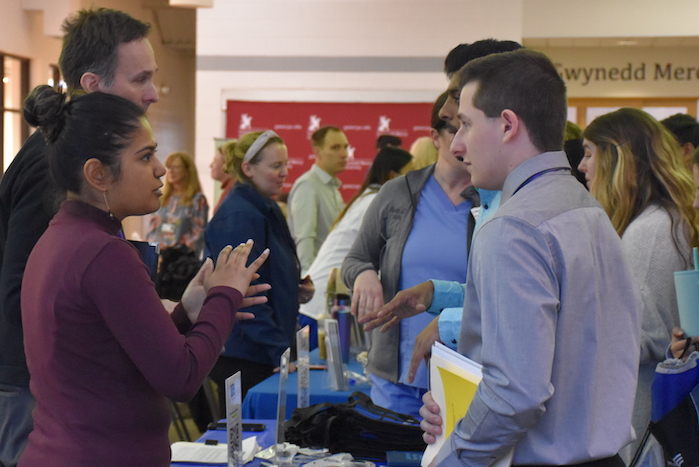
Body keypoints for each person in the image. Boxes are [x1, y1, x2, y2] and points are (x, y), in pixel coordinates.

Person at [19, 86, 269, 467]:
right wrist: (223, 297)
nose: (161, 168)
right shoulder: (104, 253)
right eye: (145, 156)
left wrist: (188, 312)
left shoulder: (61, 236)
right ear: (98, 173)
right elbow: (181, 377)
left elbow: (111, 349)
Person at [420, 49, 642, 466]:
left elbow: (515, 394)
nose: (458, 143)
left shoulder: (514, 228)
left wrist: (454, 456)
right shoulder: (586, 209)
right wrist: (460, 412)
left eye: (465, 123)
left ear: (507, 125)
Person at [0, 8, 158, 466]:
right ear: (93, 85)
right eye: (140, 79)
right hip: (36, 393)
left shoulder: (78, 160)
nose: (151, 94)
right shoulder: (53, 168)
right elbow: (21, 294)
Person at [342, 91, 477, 418]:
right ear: (434, 137)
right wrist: (364, 275)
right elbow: (355, 260)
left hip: (462, 371)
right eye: (453, 130)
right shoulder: (397, 193)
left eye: (470, 128)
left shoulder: (490, 201)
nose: (463, 140)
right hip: (396, 375)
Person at [577, 107, 699, 466]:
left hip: (643, 418)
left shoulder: (651, 229)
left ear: (619, 160)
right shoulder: (656, 222)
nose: (582, 167)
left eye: (588, 153)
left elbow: (642, 336)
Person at [205, 130, 313, 402]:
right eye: (276, 166)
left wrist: (291, 288)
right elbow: (243, 295)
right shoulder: (241, 216)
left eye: (286, 165)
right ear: (248, 169)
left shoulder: (265, 207)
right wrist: (279, 350)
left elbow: (266, 272)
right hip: (246, 354)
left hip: (262, 347)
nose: (284, 173)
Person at [300, 147, 414, 339]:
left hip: (320, 301)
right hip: (322, 306)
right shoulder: (378, 202)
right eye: (411, 173)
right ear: (394, 176)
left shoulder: (369, 198)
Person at [288, 126, 348, 276]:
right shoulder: (308, 185)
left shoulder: (332, 188)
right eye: (335, 148)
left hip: (330, 274)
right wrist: (308, 277)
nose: (344, 154)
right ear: (317, 152)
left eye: (345, 147)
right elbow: (304, 237)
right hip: (316, 278)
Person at [147, 152, 209, 257]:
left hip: (181, 260)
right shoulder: (161, 197)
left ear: (187, 170)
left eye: (175, 167)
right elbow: (152, 229)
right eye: (169, 167)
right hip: (158, 256)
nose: (170, 171)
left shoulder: (197, 200)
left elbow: (198, 233)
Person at [211, 139, 236, 213]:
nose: (211, 165)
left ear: (226, 165)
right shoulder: (230, 189)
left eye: (215, 161)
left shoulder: (232, 191)